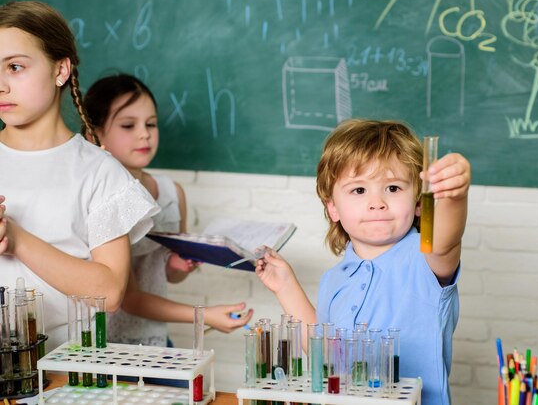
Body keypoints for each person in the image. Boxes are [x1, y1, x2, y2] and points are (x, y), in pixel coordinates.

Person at [256, 119, 470, 405]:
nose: (377, 202)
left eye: (393, 188)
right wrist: (285, 286)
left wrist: (454, 195)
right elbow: (326, 353)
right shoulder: (334, 279)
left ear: (419, 202)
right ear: (332, 206)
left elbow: (446, 241)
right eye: (359, 190)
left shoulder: (425, 257)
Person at [0, 1, 160, 351]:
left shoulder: (99, 172)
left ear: (61, 70)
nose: (1, 85)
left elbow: (110, 292)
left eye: (15, 67)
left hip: (64, 373)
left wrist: (16, 238)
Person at [83, 74, 253, 354]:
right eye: (129, 125)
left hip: (156, 341)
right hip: (108, 349)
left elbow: (170, 277)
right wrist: (205, 315)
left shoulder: (172, 193)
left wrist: (176, 267)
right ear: (94, 133)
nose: (144, 134)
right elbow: (129, 298)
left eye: (150, 124)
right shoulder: (102, 197)